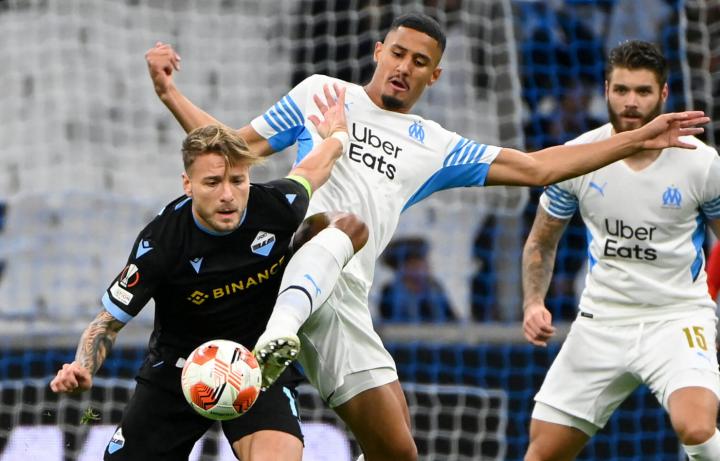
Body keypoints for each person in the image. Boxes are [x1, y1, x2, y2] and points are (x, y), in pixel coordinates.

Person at [145, 13, 708, 461]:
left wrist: (635, 139)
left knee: (398, 450)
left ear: (434, 76)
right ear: (378, 52)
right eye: (397, 53)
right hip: (287, 268)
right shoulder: (322, 93)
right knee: (335, 224)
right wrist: (171, 94)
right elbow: (234, 152)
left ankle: (286, 335)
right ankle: (278, 333)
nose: (404, 67)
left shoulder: (435, 144)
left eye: (420, 62)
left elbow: (537, 167)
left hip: (344, 296)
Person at [49, 84, 364, 461]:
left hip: (257, 364)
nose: (228, 195)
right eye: (212, 182)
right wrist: (82, 366)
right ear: (188, 185)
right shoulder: (161, 242)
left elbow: (315, 166)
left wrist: (338, 134)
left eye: (237, 180)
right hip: (178, 369)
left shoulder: (276, 206)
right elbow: (107, 323)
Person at [521, 40, 720, 461]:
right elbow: (541, 240)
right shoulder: (577, 158)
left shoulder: (701, 164)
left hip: (676, 317)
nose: (631, 102)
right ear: (606, 90)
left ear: (663, 94)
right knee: (542, 451)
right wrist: (533, 302)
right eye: (622, 90)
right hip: (601, 320)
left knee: (698, 430)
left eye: (643, 91)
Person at [379, 237, 455, 323]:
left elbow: (452, 320)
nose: (425, 266)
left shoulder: (434, 288)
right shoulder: (390, 291)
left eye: (424, 261)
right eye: (414, 264)